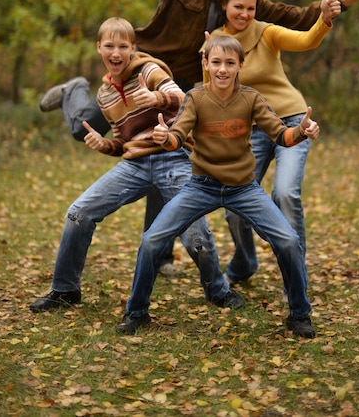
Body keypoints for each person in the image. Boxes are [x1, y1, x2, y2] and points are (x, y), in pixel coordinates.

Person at [38, 0, 359, 274]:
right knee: (83, 127)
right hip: (141, 71)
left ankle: (160, 253)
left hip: (182, 85)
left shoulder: (245, 5)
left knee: (161, 156)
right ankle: (74, 91)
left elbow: (298, 17)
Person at [30, 18, 243, 312]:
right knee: (78, 213)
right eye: (109, 46)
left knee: (195, 235)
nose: (115, 52)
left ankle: (217, 290)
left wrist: (155, 97)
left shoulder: (149, 70)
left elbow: (184, 100)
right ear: (99, 49)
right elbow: (122, 142)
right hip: (135, 166)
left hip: (173, 158)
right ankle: (65, 289)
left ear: (132, 48)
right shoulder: (105, 95)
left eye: (122, 46)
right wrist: (104, 145)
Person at [117, 36, 320, 338]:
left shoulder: (251, 98)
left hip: (243, 188)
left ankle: (299, 314)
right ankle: (137, 312)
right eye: (216, 62)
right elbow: (177, 136)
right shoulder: (196, 98)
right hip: (201, 186)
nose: (222, 69)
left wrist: (301, 131)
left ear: (240, 66)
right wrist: (164, 137)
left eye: (229, 63)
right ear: (206, 64)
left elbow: (281, 135)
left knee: (289, 241)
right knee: (151, 241)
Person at [203, 0, 340, 287]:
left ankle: (296, 277)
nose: (245, 13)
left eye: (251, 8)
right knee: (235, 199)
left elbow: (306, 41)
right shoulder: (214, 43)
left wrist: (324, 19)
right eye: (238, 7)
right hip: (250, 128)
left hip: (291, 119)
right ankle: (245, 261)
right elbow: (212, 93)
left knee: (284, 194)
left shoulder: (266, 32)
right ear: (224, 5)